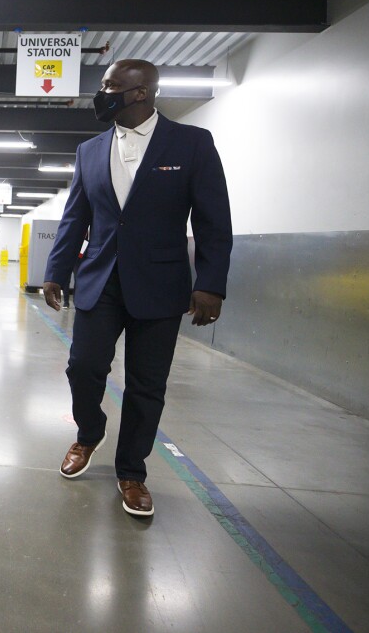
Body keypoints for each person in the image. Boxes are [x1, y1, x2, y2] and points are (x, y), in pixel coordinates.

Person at [42, 58, 232, 517]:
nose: (101, 93)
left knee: (147, 385)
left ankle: (132, 471)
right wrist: (56, 269)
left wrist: (211, 285)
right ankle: (90, 433)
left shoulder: (191, 143)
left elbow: (213, 220)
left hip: (161, 284)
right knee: (83, 366)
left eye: (110, 86)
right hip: (100, 278)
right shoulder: (90, 150)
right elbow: (75, 217)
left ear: (141, 92)